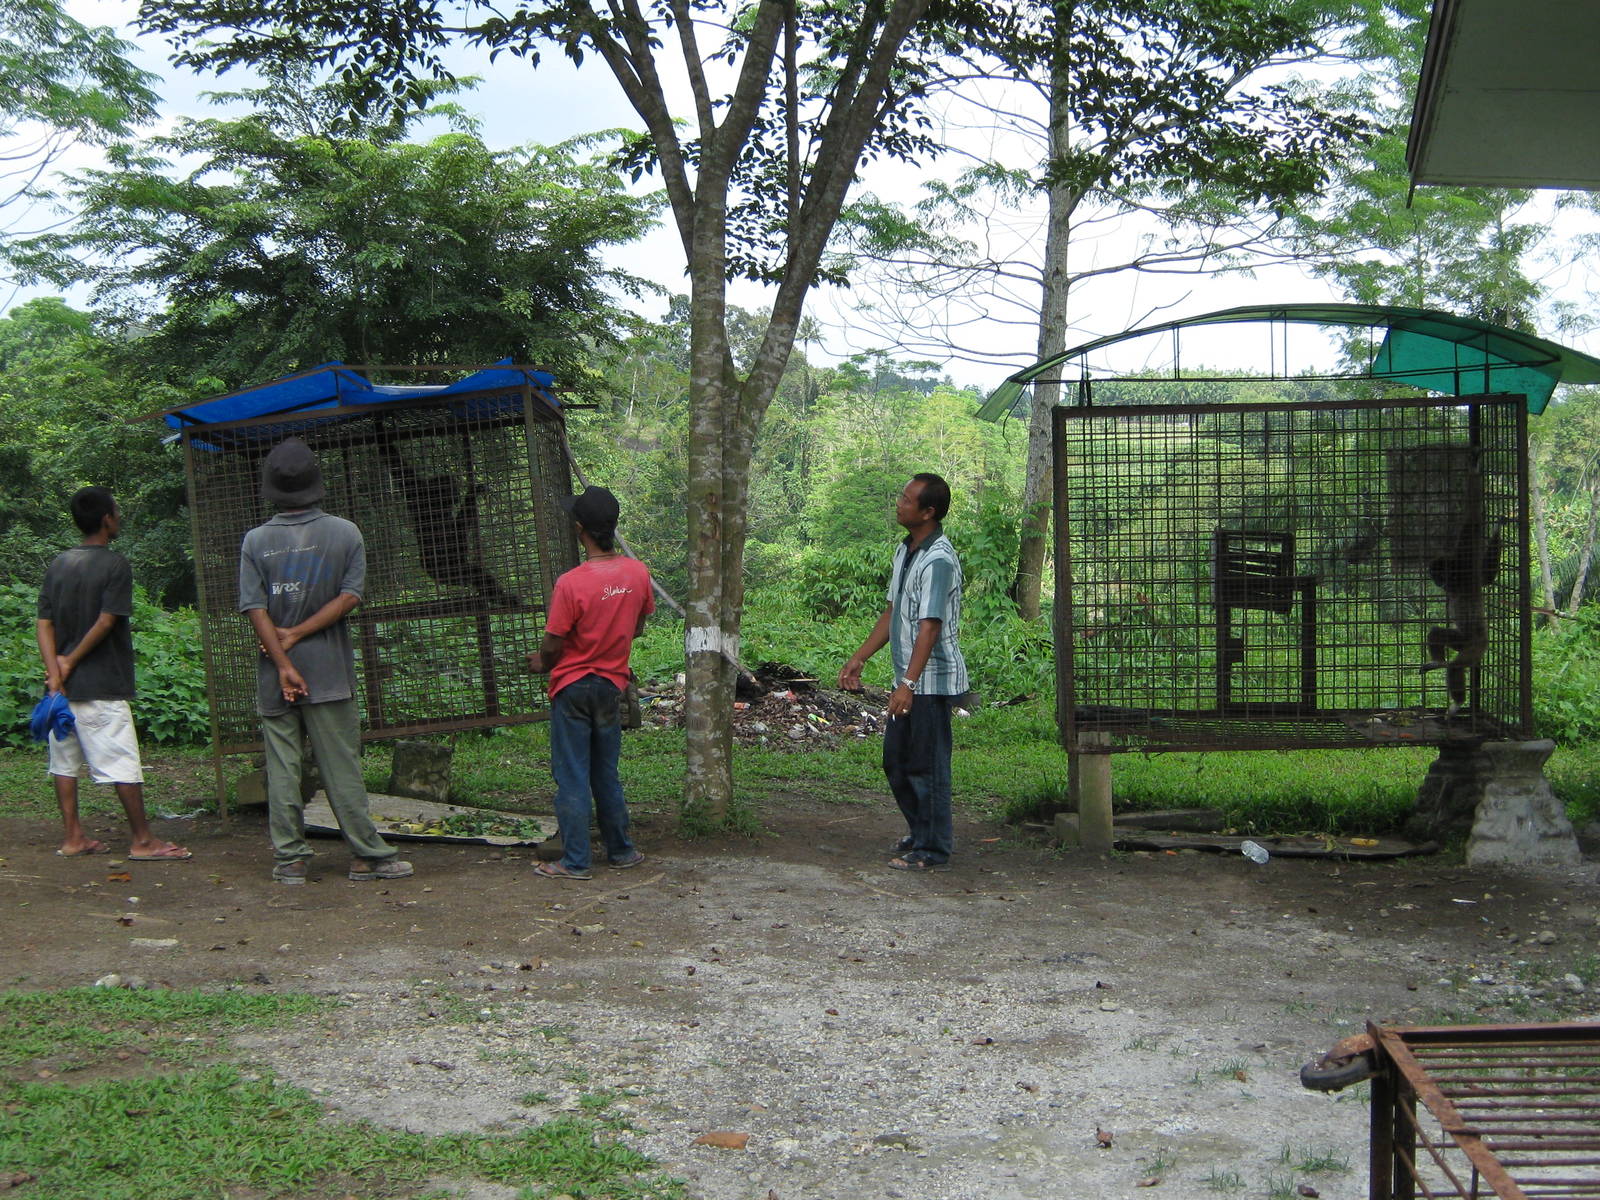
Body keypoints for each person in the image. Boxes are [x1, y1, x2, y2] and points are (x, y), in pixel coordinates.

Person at [239, 437, 411, 885]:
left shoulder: (255, 541)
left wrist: (282, 659)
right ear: (317, 483)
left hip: (274, 675)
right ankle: (367, 855)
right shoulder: (345, 532)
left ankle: (291, 859)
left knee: (282, 766)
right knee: (341, 764)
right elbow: (350, 596)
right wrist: (299, 635)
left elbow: (254, 608)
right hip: (329, 672)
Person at [36, 487, 191, 861]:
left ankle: (73, 837)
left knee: (64, 762)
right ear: (107, 518)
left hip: (62, 690)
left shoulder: (59, 564)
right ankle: (142, 841)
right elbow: (107, 620)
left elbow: (44, 623)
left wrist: (54, 671)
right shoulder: (115, 564)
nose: (119, 516)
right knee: (122, 762)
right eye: (117, 510)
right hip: (101, 684)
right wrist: (71, 661)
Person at [839, 473, 969, 871]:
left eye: (908, 499)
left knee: (926, 764)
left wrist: (909, 684)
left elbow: (930, 625)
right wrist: (860, 656)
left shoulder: (939, 559)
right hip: (908, 680)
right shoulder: (906, 551)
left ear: (928, 512)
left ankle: (933, 849)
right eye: (902, 495)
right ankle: (921, 830)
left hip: (930, 682)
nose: (899, 503)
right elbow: (894, 610)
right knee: (896, 761)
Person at [527, 485, 653, 880]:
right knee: (605, 771)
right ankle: (622, 851)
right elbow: (637, 626)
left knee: (572, 775)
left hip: (573, 686)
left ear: (580, 529)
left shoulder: (571, 582)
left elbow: (553, 644)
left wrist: (541, 663)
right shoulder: (637, 572)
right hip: (611, 684)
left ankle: (576, 861)